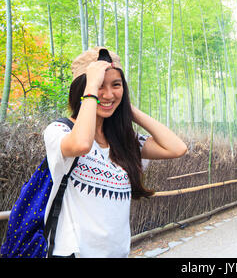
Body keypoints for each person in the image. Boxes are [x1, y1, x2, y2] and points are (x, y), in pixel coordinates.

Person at [43, 46, 187, 258]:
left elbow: (177, 148)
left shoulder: (124, 141)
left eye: (116, 85)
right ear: (82, 89)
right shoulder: (60, 131)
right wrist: (92, 83)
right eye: (100, 85)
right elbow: (82, 144)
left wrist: (126, 107)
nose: (108, 94)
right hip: (74, 253)